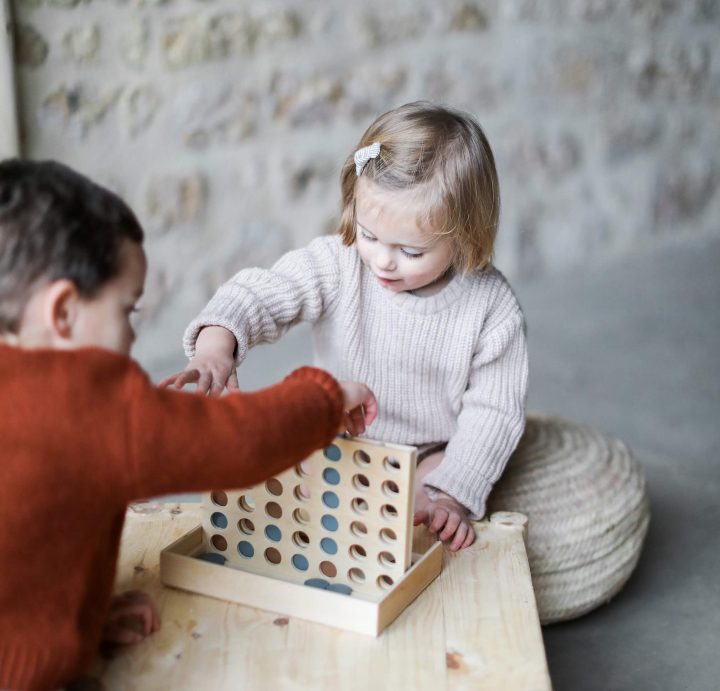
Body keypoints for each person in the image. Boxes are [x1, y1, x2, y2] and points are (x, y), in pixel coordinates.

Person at [0, 159, 377, 691]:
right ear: (62, 313)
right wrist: (324, 395)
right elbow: (237, 443)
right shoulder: (93, 409)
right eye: (127, 310)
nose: (132, 336)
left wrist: (69, 615)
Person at [167, 101, 529, 553]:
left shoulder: (492, 308)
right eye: (369, 234)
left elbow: (494, 412)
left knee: (418, 513)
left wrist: (451, 493)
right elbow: (261, 293)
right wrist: (216, 346)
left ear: (466, 236)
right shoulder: (337, 263)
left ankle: (432, 502)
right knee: (276, 470)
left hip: (429, 452)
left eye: (411, 252)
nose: (381, 260)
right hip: (337, 431)